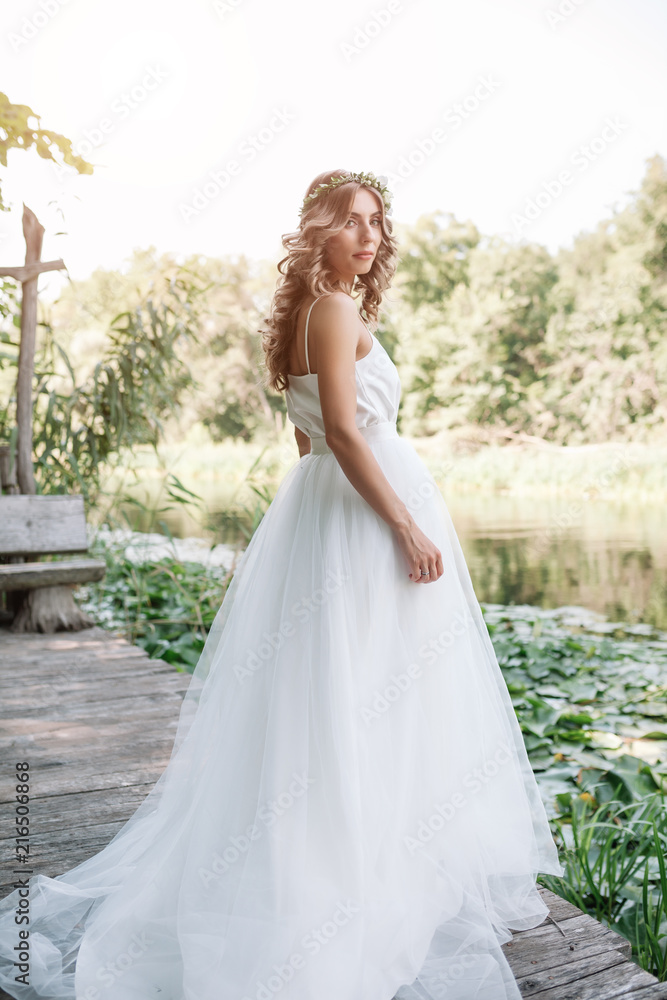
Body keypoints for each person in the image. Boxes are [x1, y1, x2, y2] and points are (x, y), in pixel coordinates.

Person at [0, 169, 564, 1000]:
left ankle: (335, 860)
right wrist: (403, 523)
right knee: (374, 693)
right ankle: (350, 880)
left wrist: (328, 521)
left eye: (375, 221)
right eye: (349, 222)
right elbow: (339, 429)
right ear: (317, 233)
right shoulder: (334, 311)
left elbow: (306, 448)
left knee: (337, 695)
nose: (367, 236)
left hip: (327, 518)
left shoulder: (304, 317)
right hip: (366, 520)